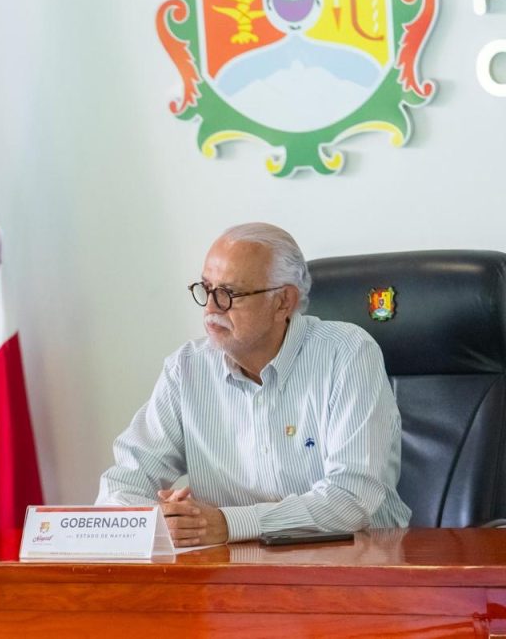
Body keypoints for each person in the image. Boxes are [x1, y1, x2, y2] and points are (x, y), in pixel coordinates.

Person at [96, 223, 411, 546]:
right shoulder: (186, 369)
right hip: (231, 567)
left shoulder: (347, 354)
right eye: (206, 288)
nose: (210, 309)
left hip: (357, 561)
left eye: (228, 294)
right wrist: (164, 521)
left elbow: (351, 498)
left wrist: (229, 523)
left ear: (283, 302)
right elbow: (121, 484)